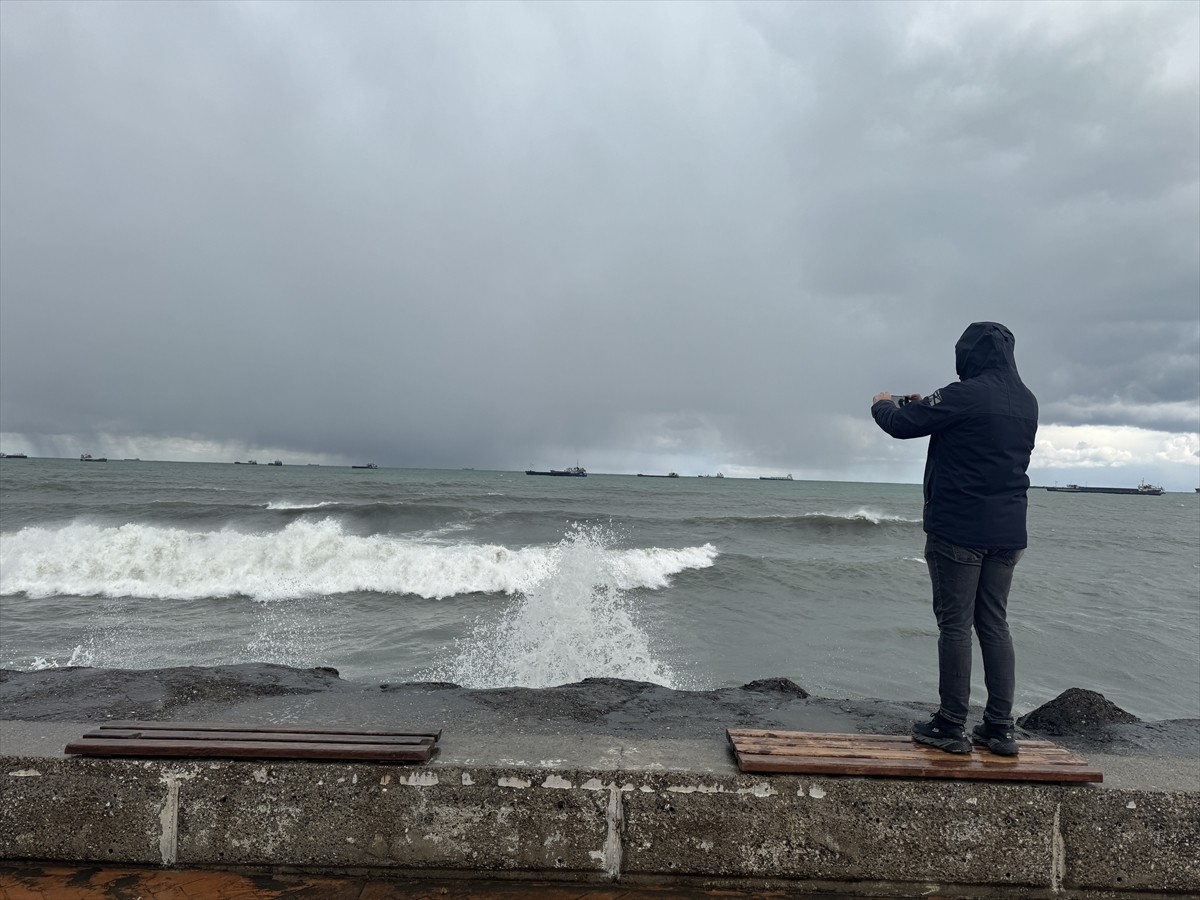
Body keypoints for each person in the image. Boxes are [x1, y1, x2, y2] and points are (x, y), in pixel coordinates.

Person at [871, 322, 1038, 756]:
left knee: (955, 626)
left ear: (967, 354)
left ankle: (950, 724)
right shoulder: (1026, 400)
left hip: (959, 528)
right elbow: (965, 424)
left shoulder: (964, 394)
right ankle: (999, 728)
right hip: (1009, 531)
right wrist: (926, 403)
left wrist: (882, 403)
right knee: (994, 624)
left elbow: (901, 425)